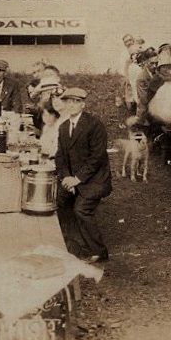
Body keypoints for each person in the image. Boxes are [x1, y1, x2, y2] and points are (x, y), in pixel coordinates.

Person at [54, 87, 112, 262]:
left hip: (95, 179)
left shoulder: (94, 125)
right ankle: (73, 243)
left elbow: (97, 157)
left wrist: (77, 180)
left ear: (83, 105)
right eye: (68, 101)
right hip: (72, 178)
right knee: (58, 200)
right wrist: (66, 177)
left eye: (76, 102)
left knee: (81, 209)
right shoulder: (64, 127)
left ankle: (98, 251)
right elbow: (60, 156)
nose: (71, 105)